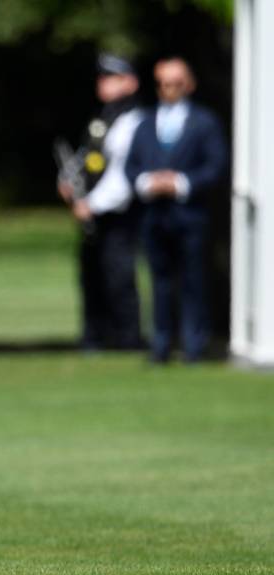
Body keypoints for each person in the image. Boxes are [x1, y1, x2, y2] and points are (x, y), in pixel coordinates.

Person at [125, 56, 227, 362]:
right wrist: (147, 182)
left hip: (189, 214)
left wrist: (180, 183)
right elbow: (131, 167)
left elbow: (216, 167)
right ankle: (160, 344)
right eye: (164, 83)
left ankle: (194, 345)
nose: (170, 89)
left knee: (193, 281)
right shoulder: (145, 122)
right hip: (154, 215)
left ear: (189, 85)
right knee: (159, 282)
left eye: (176, 83)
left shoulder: (205, 122)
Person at [58, 54, 144, 351]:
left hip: (118, 213)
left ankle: (128, 338)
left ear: (130, 83)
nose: (103, 84)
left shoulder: (133, 120)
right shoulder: (102, 118)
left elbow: (123, 174)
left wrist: (92, 203)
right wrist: (68, 181)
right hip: (93, 215)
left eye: (111, 78)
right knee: (91, 274)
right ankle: (94, 336)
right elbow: (86, 157)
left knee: (119, 276)